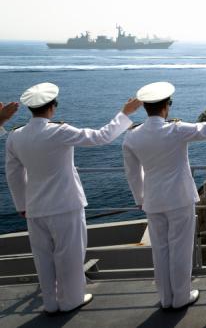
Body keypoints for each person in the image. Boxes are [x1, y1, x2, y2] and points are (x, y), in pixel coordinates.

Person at [5, 82, 141, 314]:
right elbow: (101, 137)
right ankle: (72, 300)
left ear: (30, 109)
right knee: (69, 254)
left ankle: (50, 303)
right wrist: (124, 114)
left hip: (35, 207)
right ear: (52, 107)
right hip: (65, 205)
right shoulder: (59, 131)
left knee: (43, 258)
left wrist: (22, 205)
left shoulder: (15, 137)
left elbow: (14, 174)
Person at [123, 82, 206, 309]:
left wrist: (140, 199)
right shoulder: (175, 129)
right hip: (179, 198)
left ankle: (165, 297)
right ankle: (180, 297)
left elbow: (132, 174)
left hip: (153, 200)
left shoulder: (132, 136)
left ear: (146, 108)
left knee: (160, 251)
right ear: (166, 107)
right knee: (180, 248)